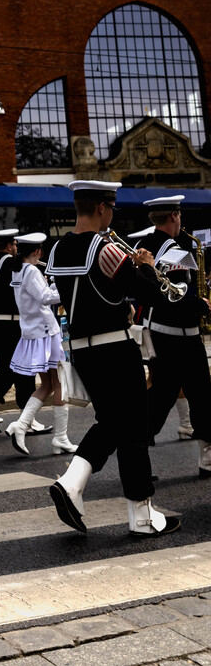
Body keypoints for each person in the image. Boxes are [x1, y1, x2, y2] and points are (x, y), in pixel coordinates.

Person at [45, 180, 180, 537]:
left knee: (113, 423)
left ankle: (73, 483)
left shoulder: (58, 250)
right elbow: (150, 295)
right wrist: (147, 266)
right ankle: (141, 515)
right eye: (111, 209)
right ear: (102, 208)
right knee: (133, 425)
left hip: (82, 350)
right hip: (114, 348)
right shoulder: (104, 249)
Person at [138, 195, 211, 478]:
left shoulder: (143, 246)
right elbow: (177, 295)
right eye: (179, 215)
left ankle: (138, 455)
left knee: (161, 396)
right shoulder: (177, 249)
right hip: (181, 336)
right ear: (174, 216)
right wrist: (201, 306)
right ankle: (207, 460)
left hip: (158, 333)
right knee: (201, 396)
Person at [4, 232, 76, 456]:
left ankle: (21, 425)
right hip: (46, 332)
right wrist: (64, 286)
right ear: (37, 252)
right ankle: (61, 438)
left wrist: (53, 284)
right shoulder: (31, 270)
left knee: (47, 386)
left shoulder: (19, 270)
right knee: (59, 383)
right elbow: (46, 298)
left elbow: (39, 296)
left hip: (35, 331)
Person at [0, 229, 42, 435]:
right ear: (9, 246)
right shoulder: (10, 264)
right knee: (19, 369)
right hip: (12, 323)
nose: (16, 248)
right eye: (14, 245)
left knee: (12, 368)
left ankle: (25, 417)